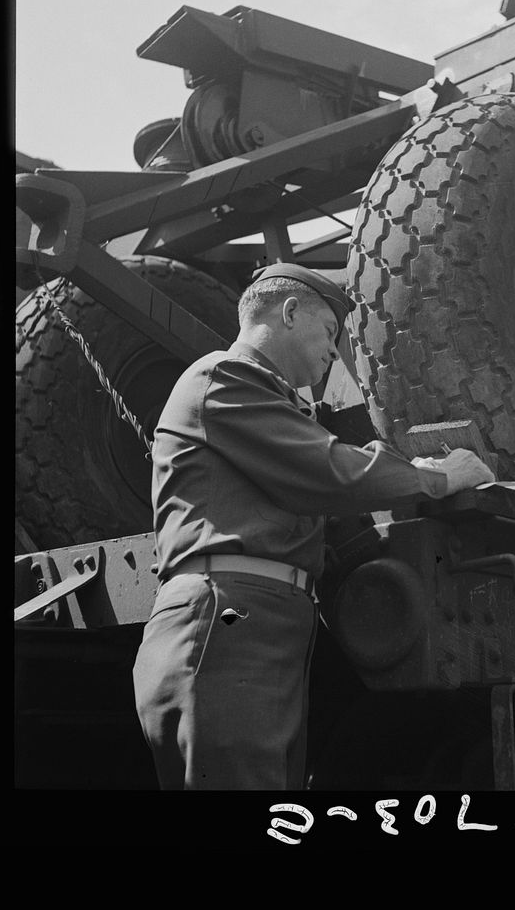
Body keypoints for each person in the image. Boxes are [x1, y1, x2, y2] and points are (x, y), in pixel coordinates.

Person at [132, 262, 494, 790]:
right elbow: (327, 471)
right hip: (230, 623)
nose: (333, 351)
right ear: (290, 311)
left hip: (248, 626)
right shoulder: (225, 376)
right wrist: (435, 478)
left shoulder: (267, 403)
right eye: (329, 332)